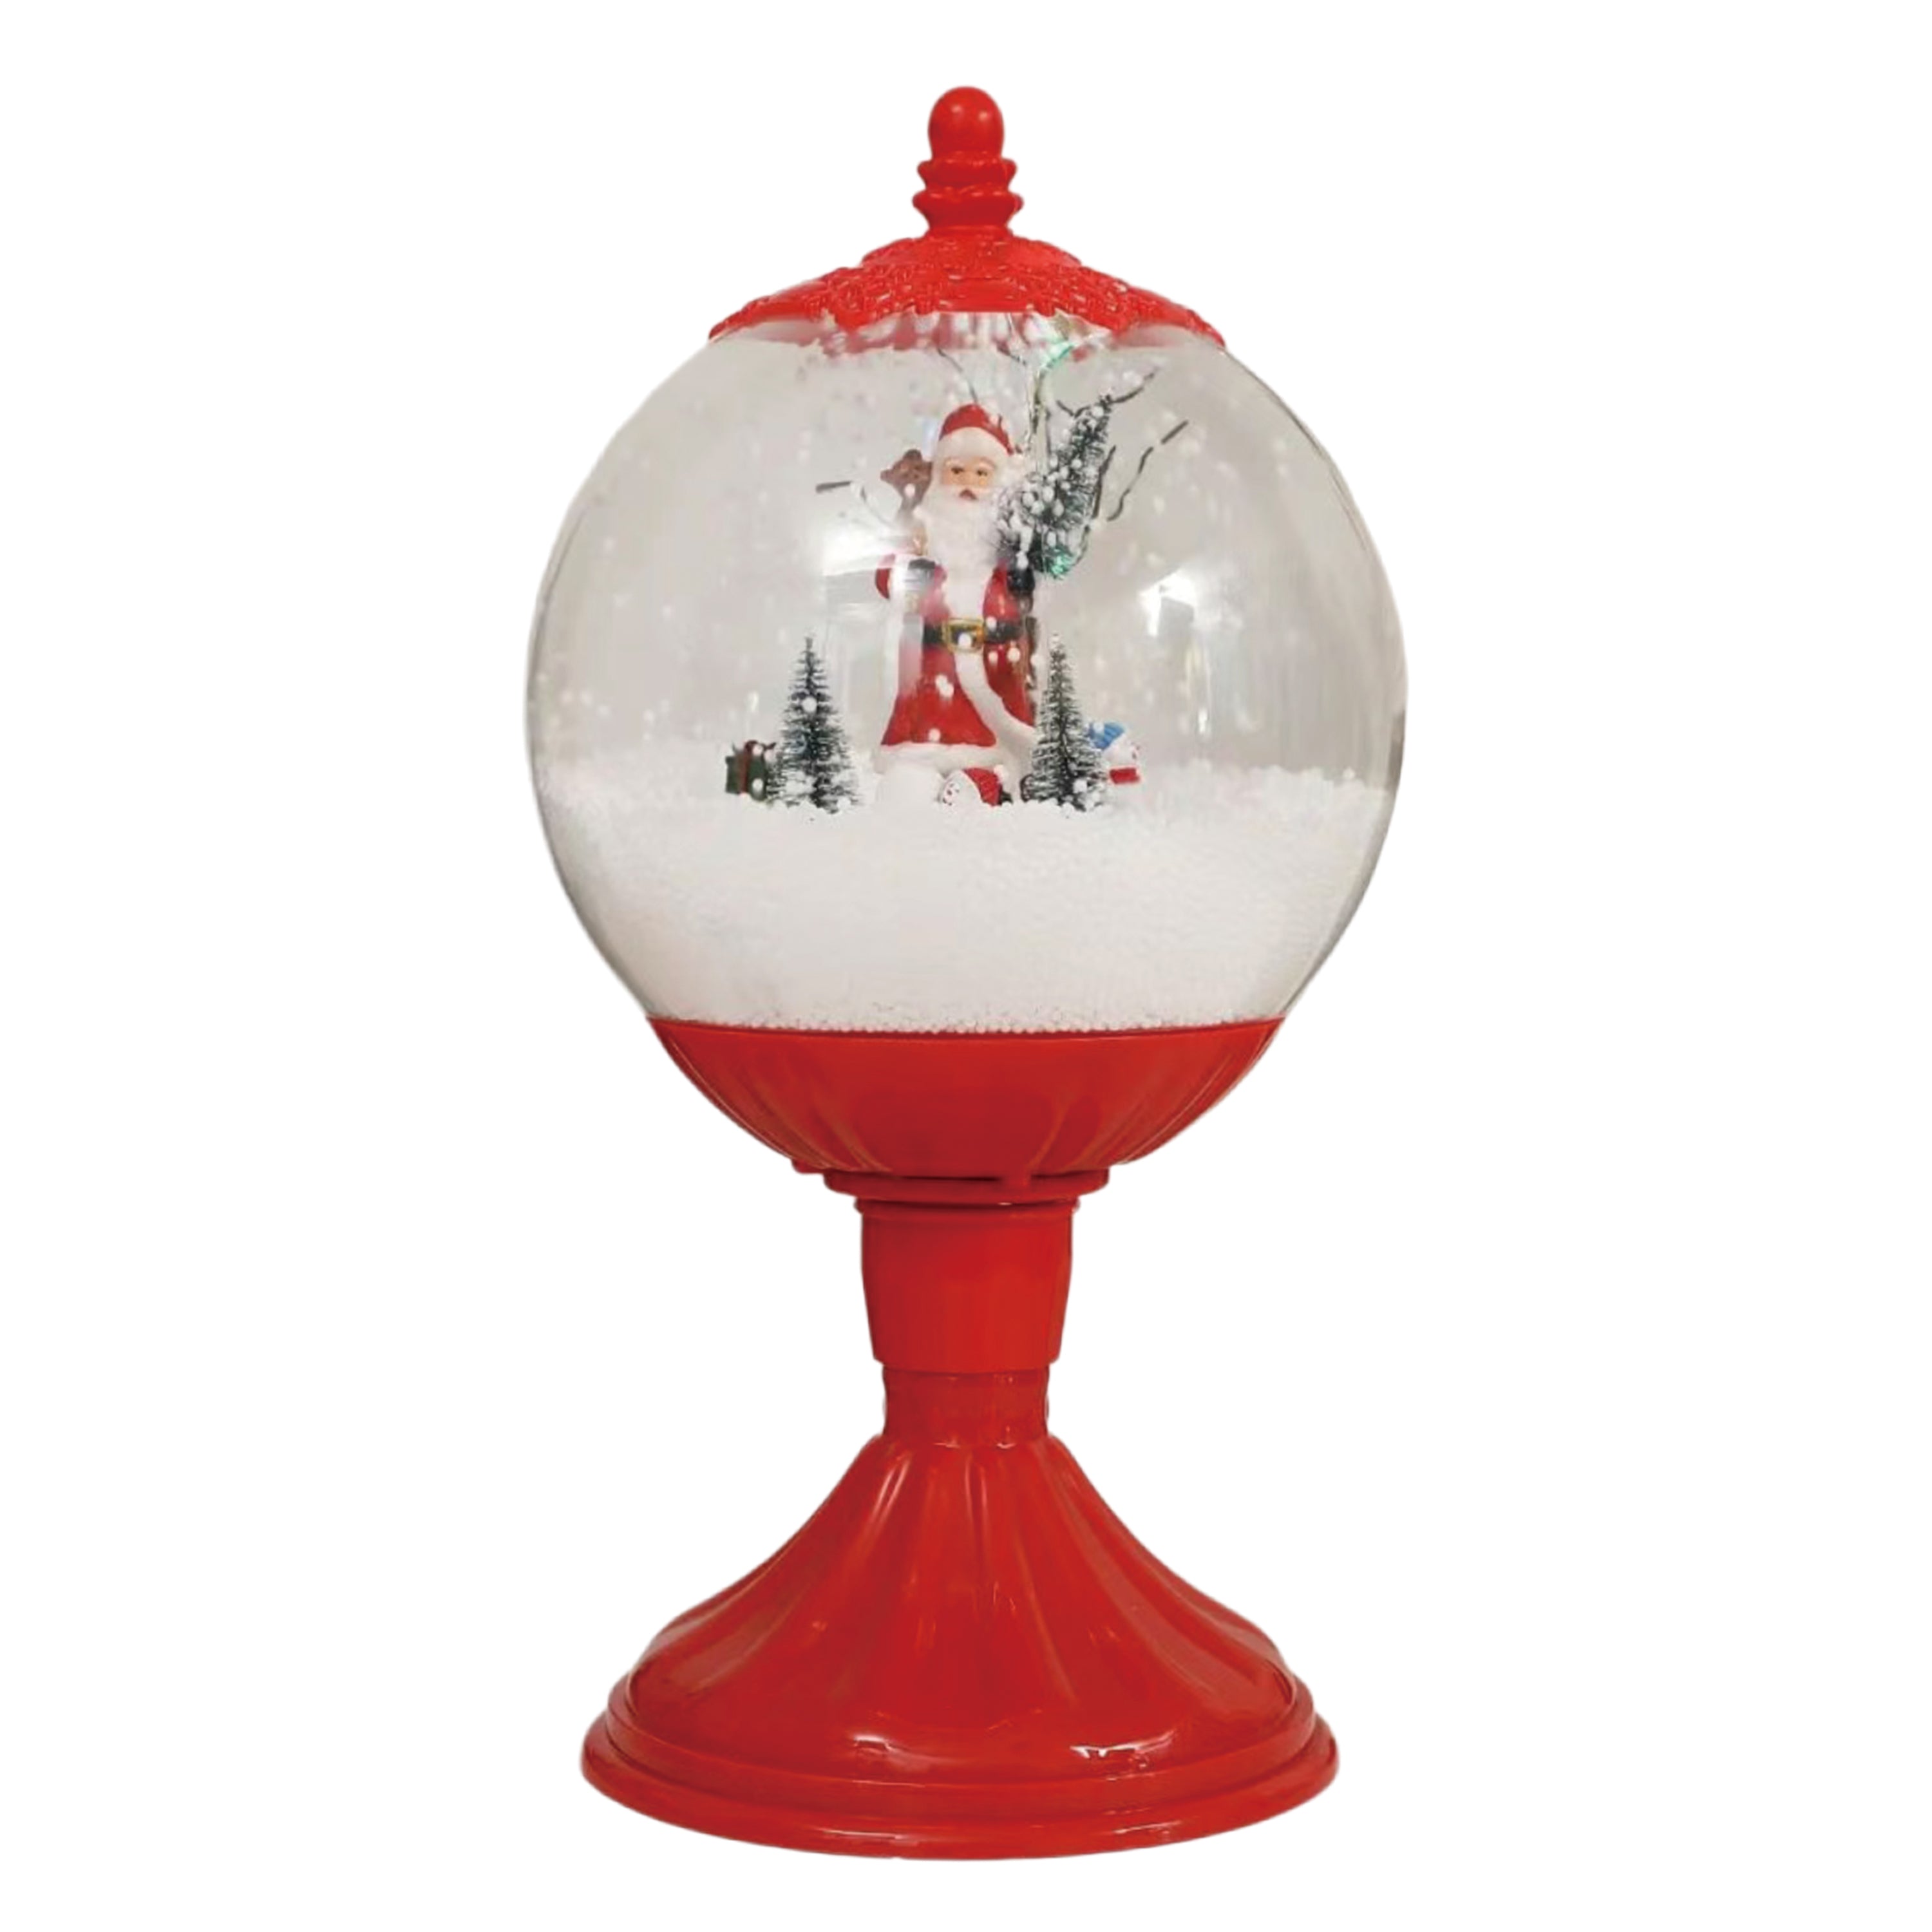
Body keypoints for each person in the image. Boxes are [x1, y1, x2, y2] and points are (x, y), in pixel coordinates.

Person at [873, 404, 1036, 805]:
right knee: (916, 774)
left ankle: (986, 789)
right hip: (933, 676)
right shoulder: (923, 531)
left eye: (982, 474)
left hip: (994, 679)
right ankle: (916, 793)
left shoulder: (1009, 545)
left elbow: (1025, 597)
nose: (968, 485)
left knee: (993, 766)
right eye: (957, 471)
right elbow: (887, 581)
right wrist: (909, 556)